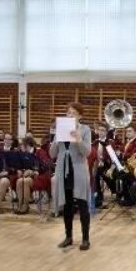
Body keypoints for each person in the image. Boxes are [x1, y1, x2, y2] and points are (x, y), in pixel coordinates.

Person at [50, 102, 93, 251]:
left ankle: (86, 239)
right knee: (67, 205)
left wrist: (79, 139)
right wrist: (56, 140)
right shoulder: (60, 129)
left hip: (79, 170)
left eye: (73, 113)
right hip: (63, 170)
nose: (70, 116)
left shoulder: (85, 129)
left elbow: (87, 152)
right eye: (68, 113)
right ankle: (68, 237)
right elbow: (52, 154)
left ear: (80, 116)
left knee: (82, 204)